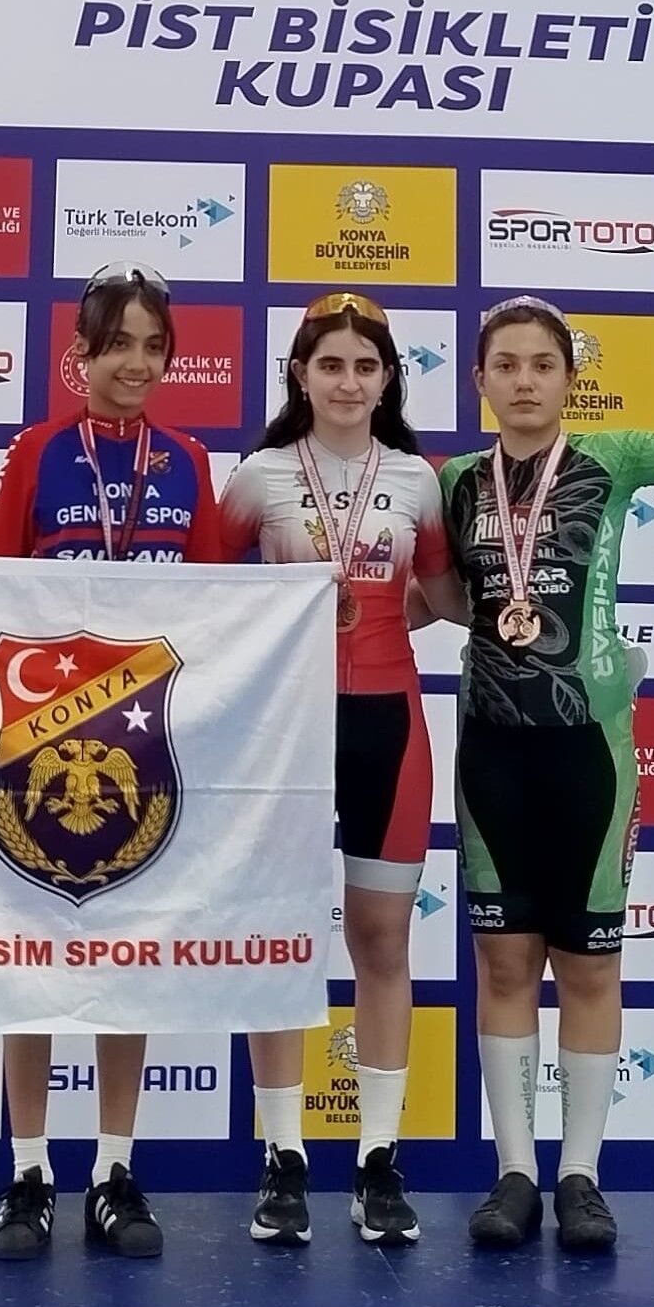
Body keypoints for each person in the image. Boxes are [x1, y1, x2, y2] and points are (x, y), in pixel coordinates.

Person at [426, 251, 654, 1251]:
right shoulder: (453, 481)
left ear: (569, 378)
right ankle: (513, 1176)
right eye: (507, 364)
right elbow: (437, 598)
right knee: (504, 963)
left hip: (590, 753)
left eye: (543, 364)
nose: (525, 380)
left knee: (587, 969)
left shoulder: (615, 459)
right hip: (491, 752)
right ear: (479, 378)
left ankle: (580, 1176)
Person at [0, 268, 237, 1262]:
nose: (137, 364)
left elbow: (220, 606)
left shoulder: (188, 461)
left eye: (154, 346)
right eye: (117, 344)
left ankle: (114, 1171)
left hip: (145, 744)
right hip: (39, 739)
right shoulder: (38, 452)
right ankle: (29, 1172)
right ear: (79, 354)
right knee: (33, 958)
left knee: (129, 958)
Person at [219, 293, 450, 1248]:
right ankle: (283, 1158)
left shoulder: (419, 479)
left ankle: (378, 1160)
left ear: (387, 379)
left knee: (382, 943)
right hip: (285, 731)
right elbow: (198, 596)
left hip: (390, 725)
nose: (349, 382)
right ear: (300, 376)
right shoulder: (259, 476)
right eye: (331, 365)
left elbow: (447, 595)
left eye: (365, 366)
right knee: (279, 941)